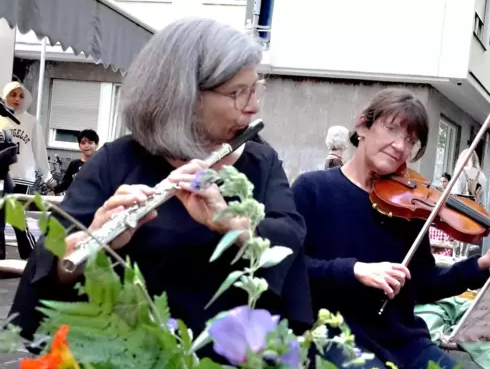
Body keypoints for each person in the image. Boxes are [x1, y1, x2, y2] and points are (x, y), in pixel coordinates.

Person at [10, 18, 312, 346]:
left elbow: (289, 243)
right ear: (184, 97)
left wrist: (231, 222)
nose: (253, 106)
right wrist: (98, 239)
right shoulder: (117, 161)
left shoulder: (261, 161)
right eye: (238, 93)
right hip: (136, 365)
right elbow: (49, 270)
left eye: (256, 89)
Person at [291, 88, 490, 369]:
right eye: (393, 131)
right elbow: (291, 269)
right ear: (364, 126)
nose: (401, 147)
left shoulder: (406, 205)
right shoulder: (313, 190)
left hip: (402, 340)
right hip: (338, 340)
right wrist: (353, 271)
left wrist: (482, 264)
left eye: (411, 140)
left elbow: (424, 283)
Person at [0, 81, 56, 259]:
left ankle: (30, 252)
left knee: (15, 214)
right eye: (13, 94)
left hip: (22, 177)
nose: (17, 99)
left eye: (21, 95)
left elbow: (39, 151)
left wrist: (48, 178)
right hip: (1, 175)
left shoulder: (31, 122)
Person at [54, 129, 99, 195]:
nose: (86, 146)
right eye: (83, 143)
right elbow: (66, 184)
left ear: (96, 145)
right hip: (76, 201)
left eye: (90, 142)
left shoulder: (102, 164)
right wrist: (53, 190)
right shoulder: (74, 164)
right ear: (79, 146)